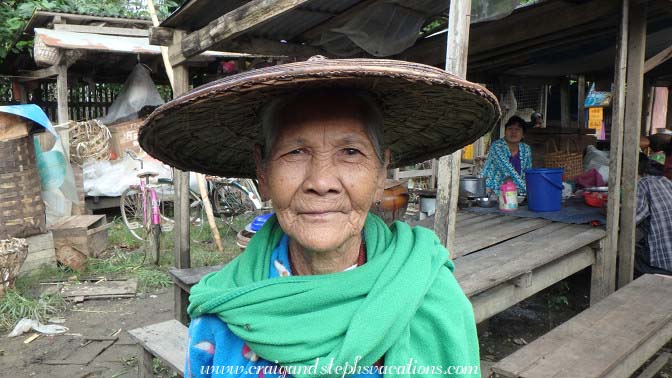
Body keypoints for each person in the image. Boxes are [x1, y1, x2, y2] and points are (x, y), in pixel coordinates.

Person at [139, 57, 500, 378]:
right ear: (262, 174)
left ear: (380, 172)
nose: (322, 182)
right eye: (295, 152)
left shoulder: (430, 294)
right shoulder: (225, 308)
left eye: (350, 151)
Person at [635, 153, 672, 277]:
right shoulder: (664, 181)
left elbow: (631, 219)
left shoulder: (642, 185)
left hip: (664, 264)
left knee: (628, 251)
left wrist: (608, 210)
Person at [481, 116, 532, 194]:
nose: (513, 132)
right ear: (505, 132)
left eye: (517, 129)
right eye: (510, 129)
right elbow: (507, 170)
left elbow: (528, 173)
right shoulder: (497, 146)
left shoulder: (526, 149)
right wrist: (529, 191)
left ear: (523, 135)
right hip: (493, 191)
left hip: (517, 192)